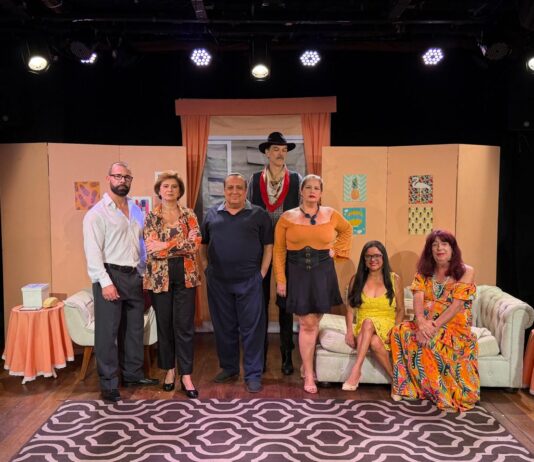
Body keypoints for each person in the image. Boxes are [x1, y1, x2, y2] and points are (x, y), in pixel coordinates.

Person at [83, 161, 158, 403]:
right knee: (108, 333)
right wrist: (105, 282)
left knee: (133, 330)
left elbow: (140, 244)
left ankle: (132, 375)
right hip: (110, 275)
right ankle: (108, 383)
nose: (122, 180)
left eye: (126, 177)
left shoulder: (136, 209)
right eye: (117, 176)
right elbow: (93, 253)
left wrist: (143, 272)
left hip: (134, 276)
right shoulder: (96, 214)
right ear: (109, 179)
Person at [273, 174, 352, 394]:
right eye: (308, 187)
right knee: (307, 323)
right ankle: (309, 373)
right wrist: (281, 279)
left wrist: (337, 251)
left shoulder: (331, 214)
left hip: (322, 273)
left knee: (314, 321)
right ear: (301, 191)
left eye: (316, 188)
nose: (312, 191)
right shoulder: (287, 217)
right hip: (297, 273)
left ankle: (305, 363)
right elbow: (279, 251)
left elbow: (347, 230)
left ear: (321, 193)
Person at [390, 229, 479, 412]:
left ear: (452, 249)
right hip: (426, 323)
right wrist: (422, 323)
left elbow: (456, 306)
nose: (439, 248)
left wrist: (433, 327)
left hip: (453, 327)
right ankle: (406, 388)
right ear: (430, 250)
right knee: (399, 331)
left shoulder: (466, 271)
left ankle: (442, 394)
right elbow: (418, 299)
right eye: (435, 245)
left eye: (444, 244)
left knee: (431, 341)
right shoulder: (424, 272)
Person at [200, 173, 273, 393]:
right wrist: (206, 268)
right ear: (224, 190)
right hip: (218, 282)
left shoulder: (259, 215)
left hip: (250, 281)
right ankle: (229, 368)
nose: (234, 191)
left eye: (239, 187)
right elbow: (203, 245)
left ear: (245, 190)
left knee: (252, 329)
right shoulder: (211, 214)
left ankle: (253, 374)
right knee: (224, 327)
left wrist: (261, 274)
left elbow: (268, 246)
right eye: (230, 187)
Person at [143, 171, 201, 398]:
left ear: (179, 191)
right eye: (165, 186)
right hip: (160, 278)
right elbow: (152, 250)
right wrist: (179, 244)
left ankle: (186, 375)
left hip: (186, 276)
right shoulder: (151, 216)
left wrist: (165, 245)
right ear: (159, 190)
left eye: (174, 186)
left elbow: (194, 245)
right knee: (165, 326)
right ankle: (169, 370)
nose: (170, 190)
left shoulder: (189, 214)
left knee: (184, 326)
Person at [248, 131, 301, 375]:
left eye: (284, 150)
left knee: (285, 304)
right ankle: (259, 356)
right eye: (276, 149)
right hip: (259, 249)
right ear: (267, 153)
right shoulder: (254, 180)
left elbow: (302, 213)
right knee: (259, 303)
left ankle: (287, 356)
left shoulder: (296, 179)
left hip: (287, 250)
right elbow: (249, 214)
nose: (280, 154)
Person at [342, 241, 405, 391]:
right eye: (368, 256)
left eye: (377, 255)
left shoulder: (394, 279)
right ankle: (396, 382)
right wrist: (349, 331)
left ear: (383, 258)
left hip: (387, 326)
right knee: (373, 339)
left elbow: (401, 310)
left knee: (369, 324)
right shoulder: (356, 279)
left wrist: (394, 332)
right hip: (364, 328)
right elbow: (350, 309)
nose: (373, 259)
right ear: (364, 259)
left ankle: (356, 371)